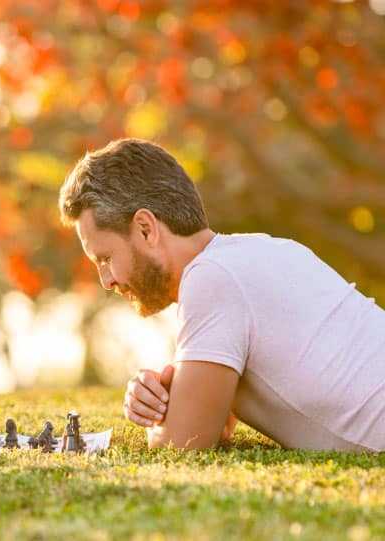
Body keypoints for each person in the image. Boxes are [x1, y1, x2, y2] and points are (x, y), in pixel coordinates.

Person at [58, 138, 385, 451]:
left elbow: (182, 444)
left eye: (105, 258)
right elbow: (218, 424)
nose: (106, 281)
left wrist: (156, 420)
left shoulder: (212, 278)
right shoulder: (269, 250)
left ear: (146, 228)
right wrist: (180, 396)